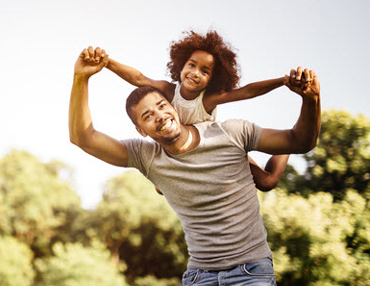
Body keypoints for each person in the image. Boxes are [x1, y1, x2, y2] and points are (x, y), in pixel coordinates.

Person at [68, 46, 321, 286]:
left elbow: (301, 140)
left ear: (171, 105)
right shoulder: (147, 157)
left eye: (161, 106)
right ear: (140, 130)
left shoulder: (232, 132)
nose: (159, 115)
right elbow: (83, 137)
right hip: (200, 283)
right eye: (147, 116)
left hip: (252, 275)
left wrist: (311, 99)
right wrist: (80, 80)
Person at [106, 30, 288, 191]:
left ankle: (286, 146)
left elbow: (247, 91)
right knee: (160, 188)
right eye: (191, 65)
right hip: (186, 152)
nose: (195, 73)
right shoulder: (169, 91)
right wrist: (107, 62)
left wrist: (283, 81)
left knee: (266, 182)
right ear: (181, 65)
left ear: (212, 80)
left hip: (217, 145)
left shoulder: (207, 100)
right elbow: (138, 78)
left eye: (205, 71)